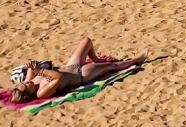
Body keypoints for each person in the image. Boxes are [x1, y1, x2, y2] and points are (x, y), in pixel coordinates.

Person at [10, 38, 147, 103]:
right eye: (26, 86)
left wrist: (31, 65)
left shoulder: (30, 83)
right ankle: (136, 60)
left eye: (24, 83)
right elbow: (57, 77)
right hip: (81, 74)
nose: (28, 83)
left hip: (70, 66)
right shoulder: (41, 92)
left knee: (86, 41)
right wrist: (39, 71)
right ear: (28, 94)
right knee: (113, 67)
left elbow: (30, 72)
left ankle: (98, 60)